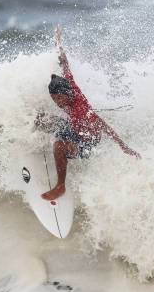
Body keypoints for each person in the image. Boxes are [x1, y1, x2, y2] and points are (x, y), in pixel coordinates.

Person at [36, 26, 140, 201]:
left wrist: (124, 147)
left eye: (59, 99)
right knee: (42, 120)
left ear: (66, 94)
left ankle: (60, 186)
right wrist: (58, 42)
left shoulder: (81, 111)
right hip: (73, 128)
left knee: (58, 146)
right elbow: (64, 62)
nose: (57, 103)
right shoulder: (68, 83)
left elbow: (102, 125)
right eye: (54, 99)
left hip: (87, 141)